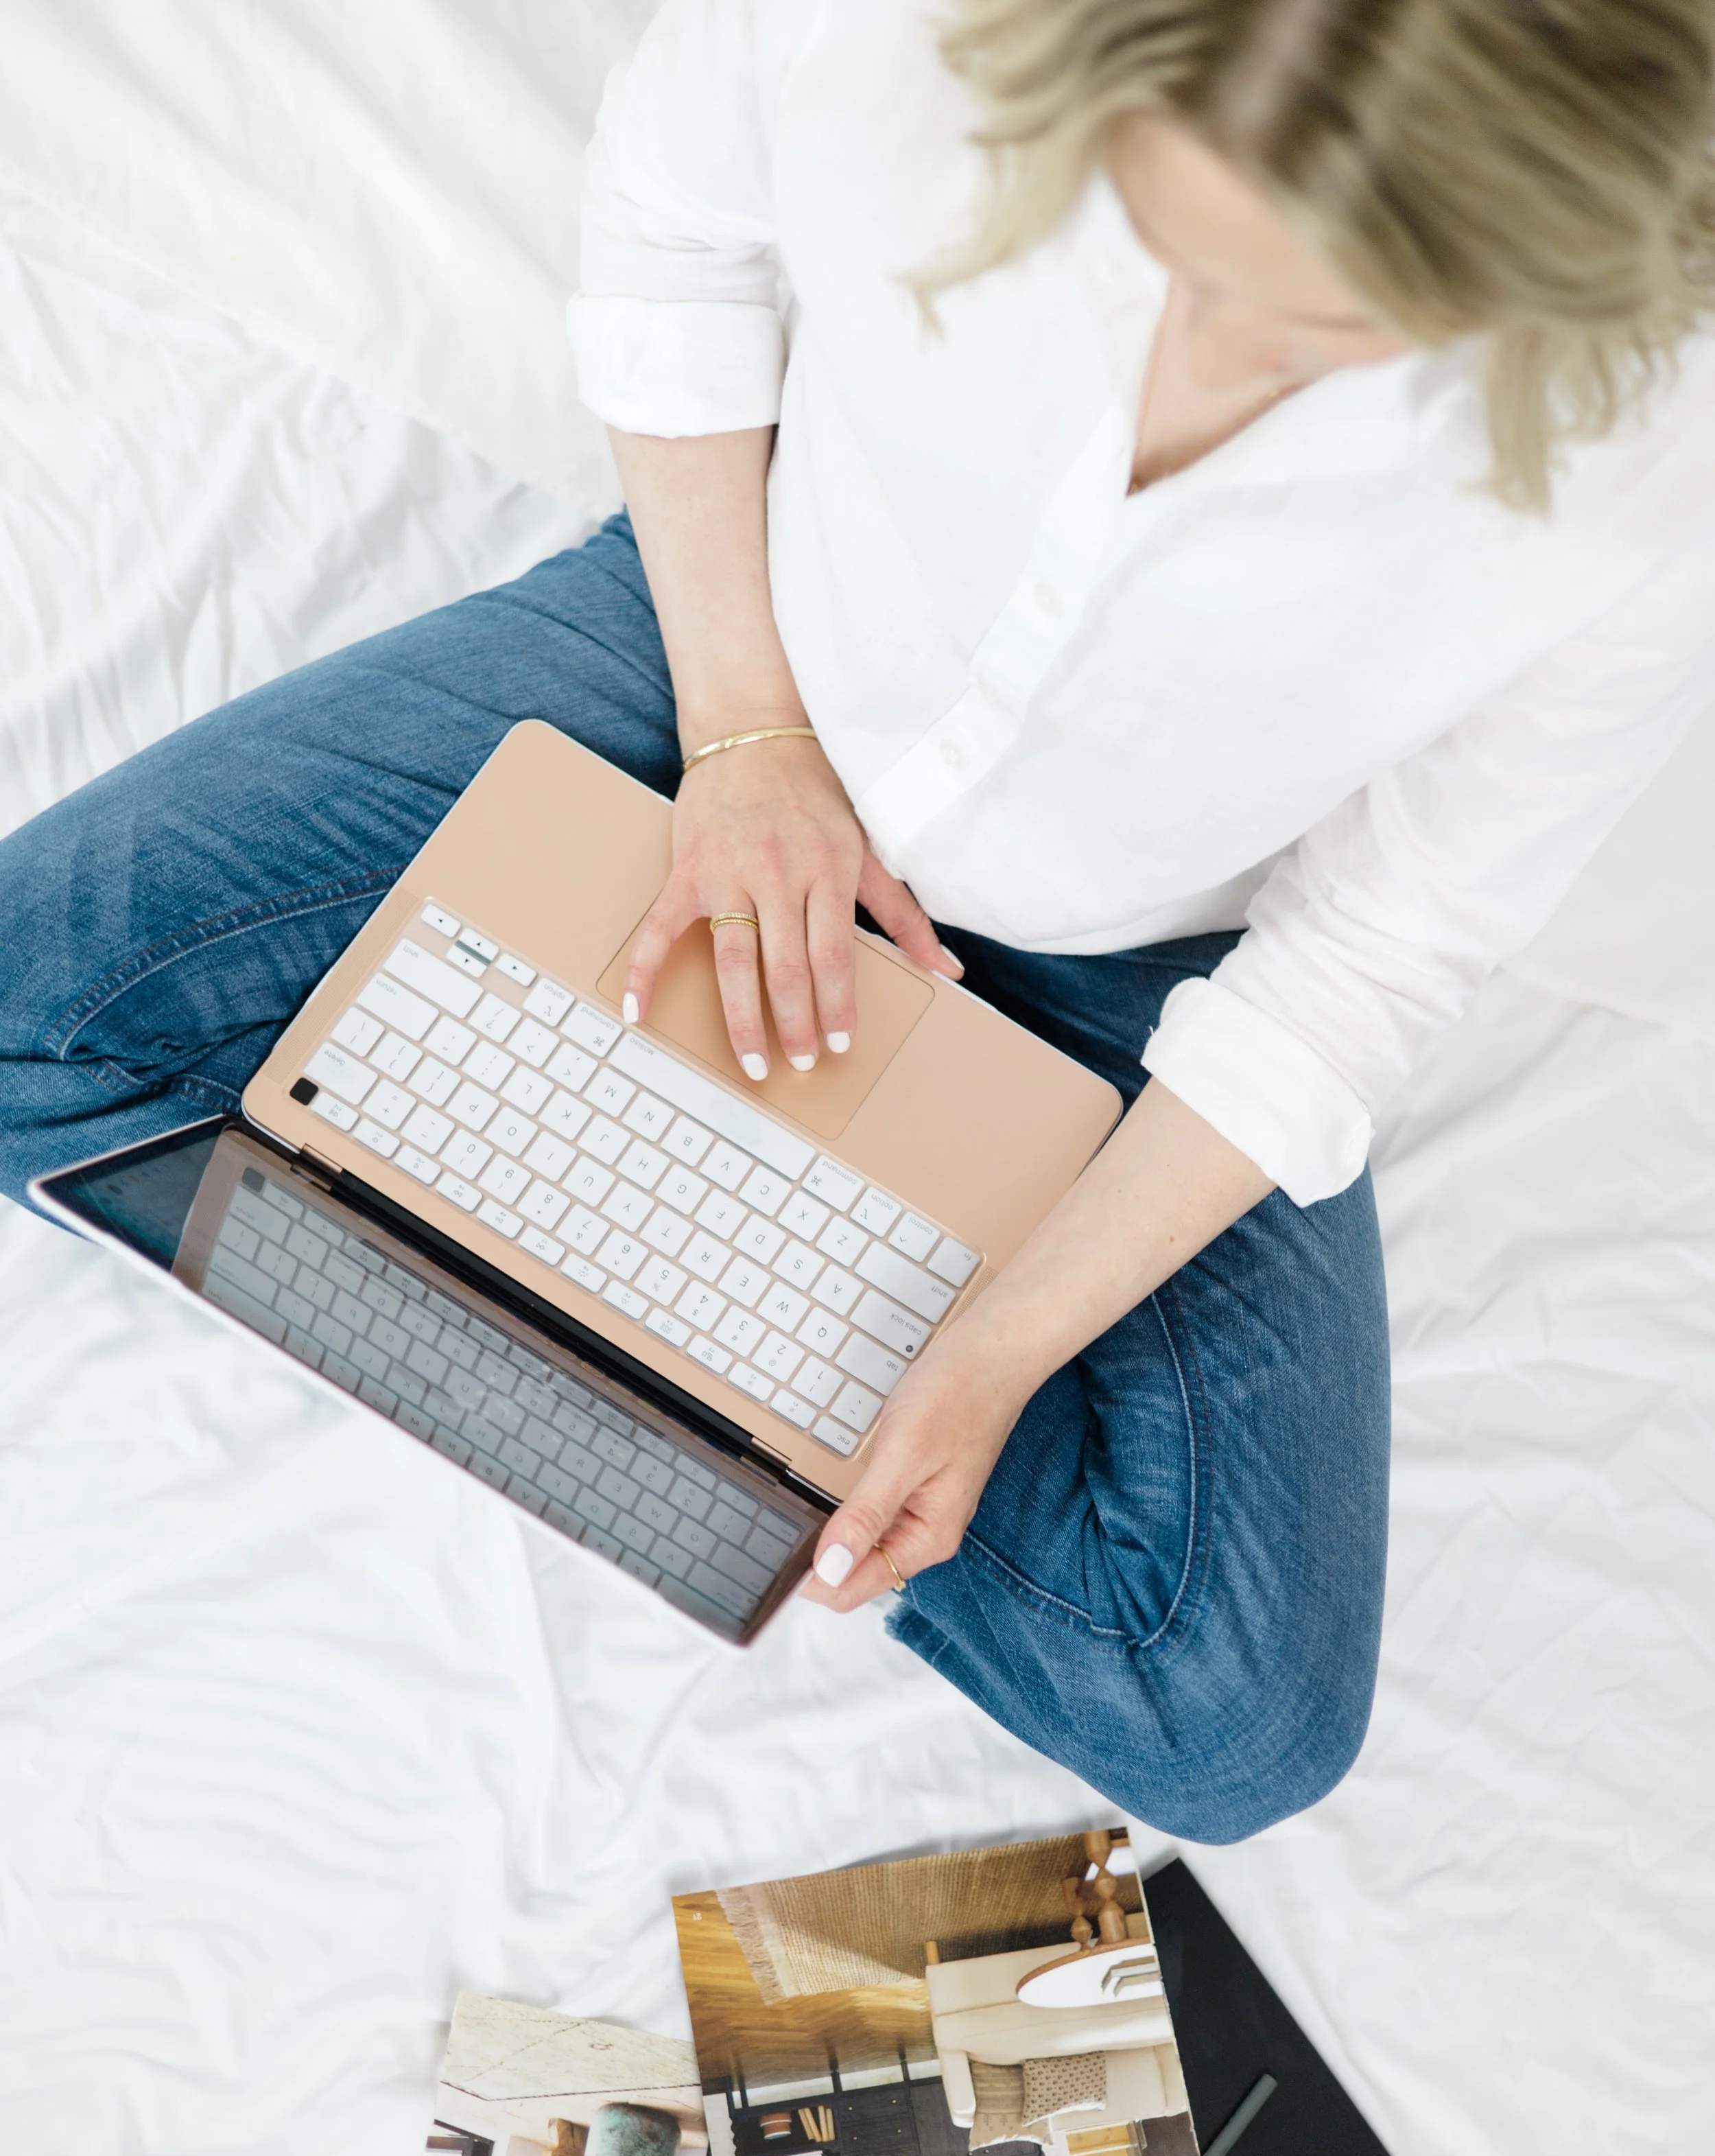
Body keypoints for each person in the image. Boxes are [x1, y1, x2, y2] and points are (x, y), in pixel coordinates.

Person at [6, 0, 1715, 1840]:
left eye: (1321, 339)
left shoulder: (1650, 462)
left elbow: (1375, 952)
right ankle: (592, 1280)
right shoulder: (889, 27)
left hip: (1155, 948)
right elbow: (672, 229)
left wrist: (986, 1357)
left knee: (1233, 1731)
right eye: (1158, 245)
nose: (1211, 353)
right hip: (722, 676)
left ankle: (590, 1277)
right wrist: (745, 737)